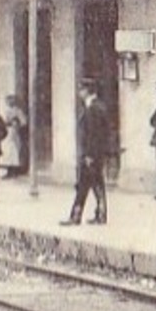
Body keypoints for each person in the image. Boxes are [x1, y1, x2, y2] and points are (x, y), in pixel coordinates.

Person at [63, 84, 111, 225]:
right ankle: (100, 215)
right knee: (96, 185)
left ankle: (76, 217)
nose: (79, 92)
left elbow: (94, 135)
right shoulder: (98, 107)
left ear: (88, 91)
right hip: (95, 154)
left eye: (81, 90)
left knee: (84, 186)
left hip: (91, 155)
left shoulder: (93, 109)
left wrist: (89, 155)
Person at [3, 96, 29, 179]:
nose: (9, 102)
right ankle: (8, 170)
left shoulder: (17, 111)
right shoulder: (6, 111)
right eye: (7, 101)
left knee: (15, 151)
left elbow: (24, 122)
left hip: (15, 132)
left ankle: (15, 171)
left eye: (11, 101)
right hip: (7, 132)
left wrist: (16, 123)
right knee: (8, 151)